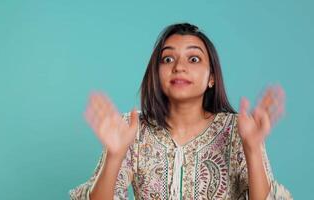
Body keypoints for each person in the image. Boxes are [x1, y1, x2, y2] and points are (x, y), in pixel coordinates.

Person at [69, 23, 292, 200]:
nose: (179, 67)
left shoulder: (239, 129)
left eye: (193, 59)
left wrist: (252, 149)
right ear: (156, 74)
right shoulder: (131, 128)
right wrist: (114, 156)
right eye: (168, 59)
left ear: (212, 77)